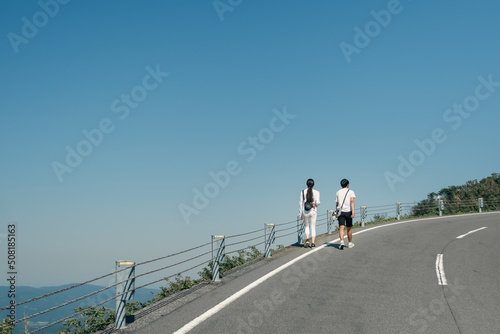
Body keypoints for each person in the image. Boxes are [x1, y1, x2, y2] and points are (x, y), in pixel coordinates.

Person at [299, 178, 320, 248]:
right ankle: (313, 243)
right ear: (313, 184)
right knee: (313, 227)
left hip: (305, 211)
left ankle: (307, 239)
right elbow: (318, 203)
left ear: (306, 184)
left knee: (306, 226)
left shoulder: (302, 192)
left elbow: (301, 204)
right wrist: (315, 204)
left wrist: (300, 214)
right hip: (313, 211)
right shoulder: (317, 192)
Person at [336, 178, 356, 249]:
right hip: (348, 211)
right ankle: (350, 243)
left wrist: (337, 212)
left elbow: (337, 203)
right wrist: (353, 212)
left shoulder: (338, 192)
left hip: (340, 211)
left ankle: (341, 241)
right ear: (347, 185)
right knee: (349, 228)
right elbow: (352, 201)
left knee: (341, 227)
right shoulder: (351, 192)